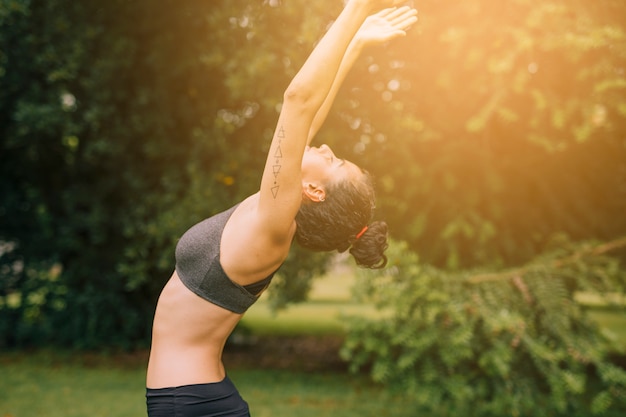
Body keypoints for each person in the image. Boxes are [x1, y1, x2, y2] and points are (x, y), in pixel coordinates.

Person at [146, 1, 418, 416]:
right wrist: (356, 46)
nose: (326, 148)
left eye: (334, 162)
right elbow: (305, 121)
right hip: (195, 398)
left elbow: (298, 100)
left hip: (191, 404)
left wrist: (356, 8)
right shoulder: (269, 214)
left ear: (313, 191)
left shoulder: (271, 228)